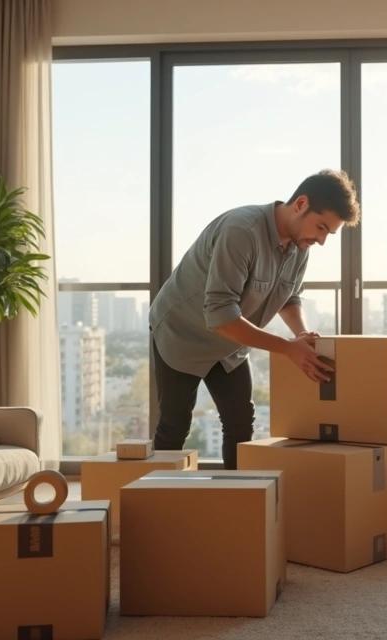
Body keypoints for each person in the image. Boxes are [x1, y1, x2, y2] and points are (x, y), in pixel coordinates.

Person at [147, 169, 360, 469]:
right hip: (183, 334)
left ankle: (240, 499)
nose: (322, 240)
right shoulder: (241, 231)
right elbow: (221, 315)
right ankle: (157, 503)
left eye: (329, 233)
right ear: (300, 204)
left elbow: (289, 296)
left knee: (240, 423)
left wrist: (301, 334)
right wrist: (288, 349)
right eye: (321, 227)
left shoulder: (300, 245)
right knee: (175, 424)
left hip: (232, 342)